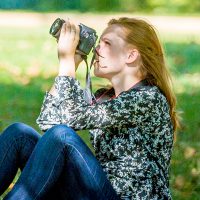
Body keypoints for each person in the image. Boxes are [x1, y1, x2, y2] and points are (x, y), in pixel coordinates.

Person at [0, 17, 179, 200]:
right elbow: (49, 122)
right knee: (19, 134)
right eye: (98, 42)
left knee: (62, 136)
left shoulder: (148, 98)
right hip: (95, 192)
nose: (97, 49)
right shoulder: (104, 97)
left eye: (107, 43)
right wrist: (69, 65)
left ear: (131, 55)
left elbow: (63, 128)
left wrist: (66, 63)